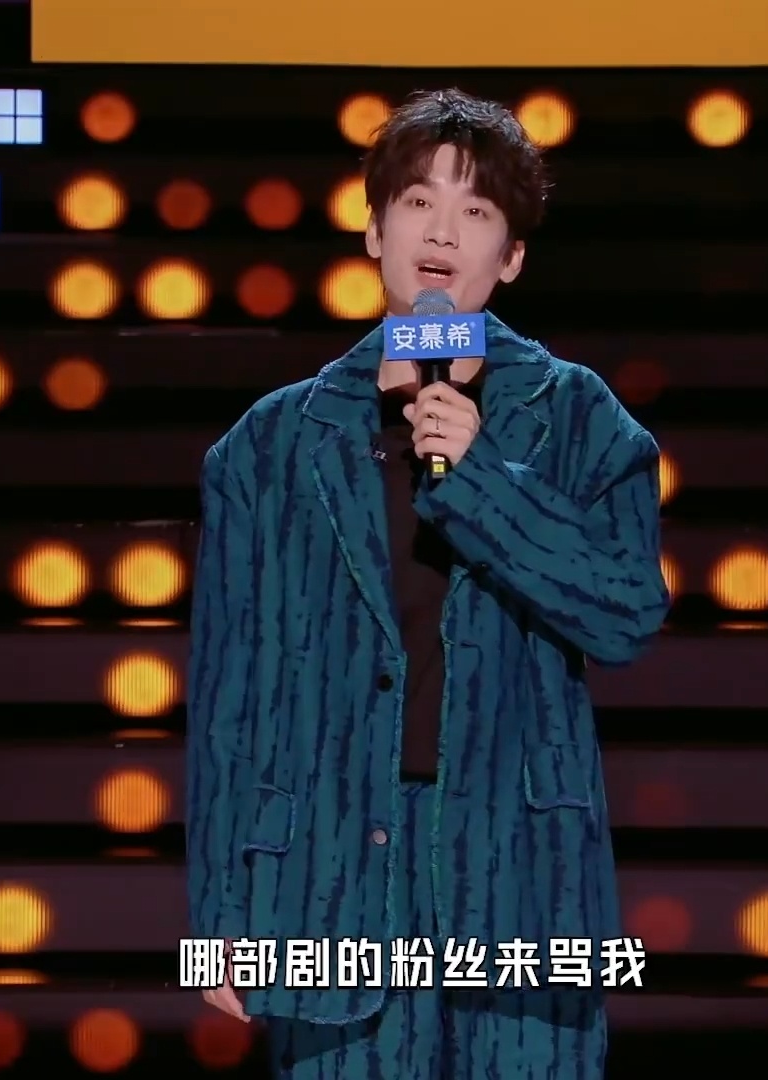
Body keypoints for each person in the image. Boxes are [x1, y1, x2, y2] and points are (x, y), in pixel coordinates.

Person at [185, 88, 669, 1080]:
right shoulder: (268, 446)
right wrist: (220, 912)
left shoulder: (578, 419)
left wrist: (482, 478)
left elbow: (626, 613)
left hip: (519, 868)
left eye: (475, 210)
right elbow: (232, 693)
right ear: (374, 231)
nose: (443, 233)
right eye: (418, 202)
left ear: (512, 256)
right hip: (327, 874)